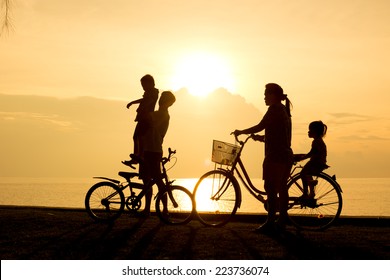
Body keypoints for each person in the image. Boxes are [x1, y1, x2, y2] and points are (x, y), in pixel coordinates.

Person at [233, 83, 293, 233]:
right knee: (281, 188)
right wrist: (260, 138)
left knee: (271, 188)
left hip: (275, 156)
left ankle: (271, 221)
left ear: (273, 95)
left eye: (266, 94)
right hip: (285, 154)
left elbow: (261, 125)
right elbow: (276, 134)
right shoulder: (283, 110)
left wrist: (242, 131)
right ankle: (281, 221)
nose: (264, 97)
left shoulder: (274, 109)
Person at [138, 91, 176, 217]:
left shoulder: (163, 114)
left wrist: (146, 102)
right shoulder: (158, 113)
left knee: (158, 181)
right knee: (147, 180)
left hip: (154, 150)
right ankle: (148, 208)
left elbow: (146, 117)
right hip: (148, 149)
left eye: (164, 99)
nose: (161, 100)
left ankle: (164, 209)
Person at [122, 74, 159, 167]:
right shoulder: (148, 93)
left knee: (141, 137)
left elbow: (148, 101)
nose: (143, 87)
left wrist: (137, 105)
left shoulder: (154, 92)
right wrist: (134, 103)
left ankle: (140, 155)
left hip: (146, 119)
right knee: (136, 137)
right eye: (142, 85)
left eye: (144, 84)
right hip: (142, 118)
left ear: (150, 83)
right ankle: (136, 156)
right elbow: (144, 100)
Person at [294, 121, 329, 199]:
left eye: (310, 130)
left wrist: (302, 158)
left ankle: (306, 193)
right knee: (307, 174)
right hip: (319, 163)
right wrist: (303, 156)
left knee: (302, 173)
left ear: (315, 132)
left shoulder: (316, 142)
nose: (308, 132)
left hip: (315, 163)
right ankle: (311, 191)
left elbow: (311, 153)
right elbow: (313, 153)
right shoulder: (319, 141)